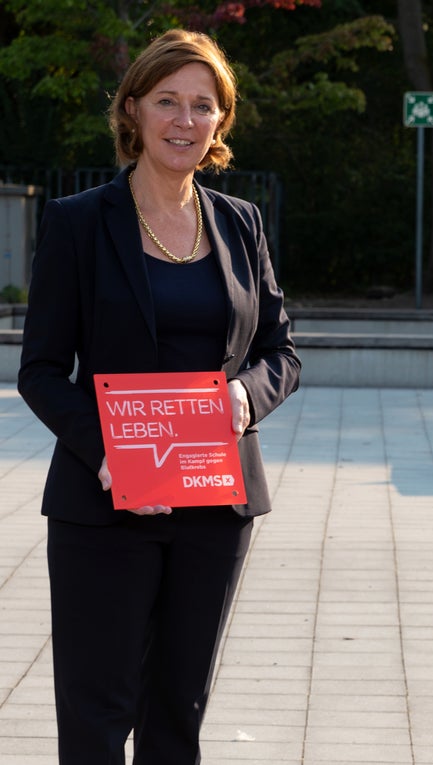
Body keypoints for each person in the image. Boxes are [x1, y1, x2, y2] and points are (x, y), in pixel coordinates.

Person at [17, 29, 301, 764]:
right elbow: (41, 369)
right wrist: (107, 451)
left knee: (178, 707)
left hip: (215, 502)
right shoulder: (78, 223)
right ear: (134, 109)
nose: (184, 119)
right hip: (104, 499)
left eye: (202, 106)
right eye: (168, 101)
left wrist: (244, 396)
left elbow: (281, 352)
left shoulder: (241, 224)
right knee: (97, 708)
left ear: (220, 124)